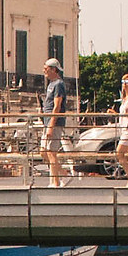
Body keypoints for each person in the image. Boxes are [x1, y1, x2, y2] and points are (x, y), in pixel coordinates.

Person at [37, 57, 74, 185]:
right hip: (47, 122)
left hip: (54, 123)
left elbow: (57, 106)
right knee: (44, 152)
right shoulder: (51, 84)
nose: (44, 71)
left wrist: (51, 124)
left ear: (53, 69)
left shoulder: (59, 84)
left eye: (46, 68)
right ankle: (64, 174)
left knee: (51, 152)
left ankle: (55, 182)